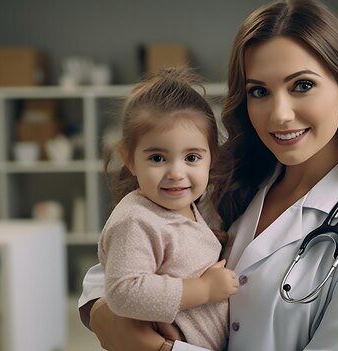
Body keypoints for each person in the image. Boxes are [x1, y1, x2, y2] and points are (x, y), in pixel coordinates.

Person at [79, 0, 338, 350]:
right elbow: (120, 264)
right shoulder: (223, 184)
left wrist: (156, 349)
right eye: (259, 91)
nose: (279, 115)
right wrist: (102, 314)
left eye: (302, 85)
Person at [94, 66, 239, 351]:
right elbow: (124, 292)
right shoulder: (135, 220)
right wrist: (204, 290)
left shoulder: (188, 208)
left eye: (192, 157)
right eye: (158, 158)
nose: (176, 172)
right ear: (130, 159)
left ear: (213, 158)